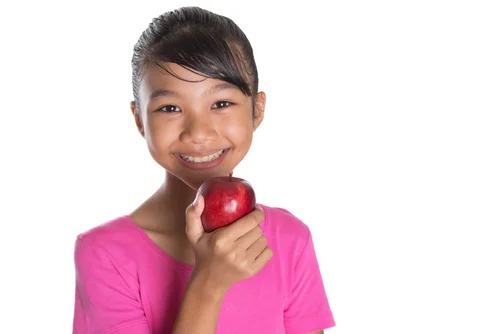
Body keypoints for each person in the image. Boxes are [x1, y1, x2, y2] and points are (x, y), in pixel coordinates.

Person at [72, 6, 335, 334]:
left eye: (221, 104)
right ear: (140, 119)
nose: (198, 132)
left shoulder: (289, 239)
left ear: (257, 109)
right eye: (170, 108)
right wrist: (209, 284)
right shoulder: (106, 254)